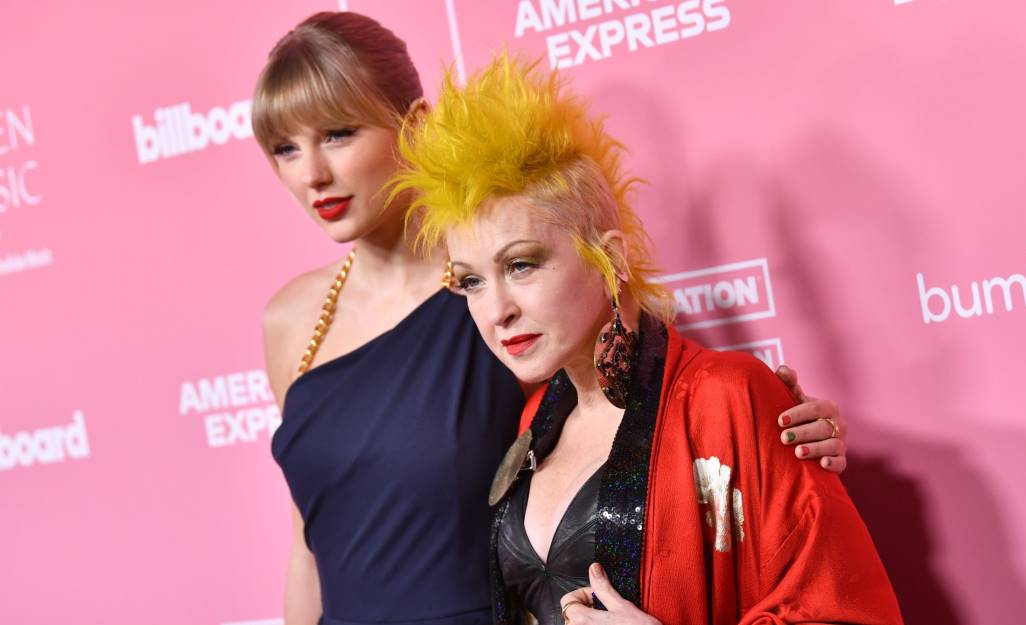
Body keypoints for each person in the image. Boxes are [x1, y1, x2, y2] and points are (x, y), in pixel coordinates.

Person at [253, 12, 850, 625]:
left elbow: (652, 405)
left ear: (414, 125)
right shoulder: (291, 319)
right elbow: (309, 540)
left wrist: (775, 433)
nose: (311, 174)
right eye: (284, 148)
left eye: (338, 133)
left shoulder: (500, 301)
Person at [391, 55, 903, 624]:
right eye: (471, 282)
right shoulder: (534, 420)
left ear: (608, 258)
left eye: (522, 265)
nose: (496, 311)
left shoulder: (729, 398)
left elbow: (849, 612)